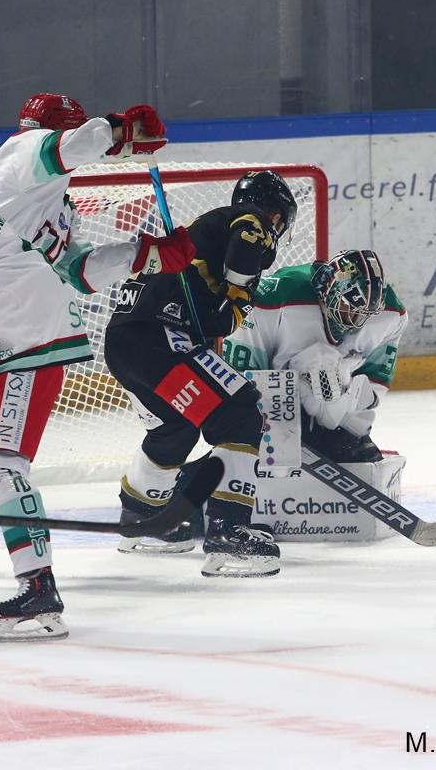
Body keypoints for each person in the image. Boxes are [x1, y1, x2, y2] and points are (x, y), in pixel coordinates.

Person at [0, 114, 192, 641]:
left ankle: (38, 588)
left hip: (26, 343)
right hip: (4, 342)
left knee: (1, 463)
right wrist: (143, 252)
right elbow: (57, 272)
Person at [104, 170, 298, 577]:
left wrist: (218, 312)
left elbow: (209, 311)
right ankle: (228, 530)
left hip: (126, 341)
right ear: (276, 214)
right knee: (239, 412)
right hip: (159, 337)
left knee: (174, 427)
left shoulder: (206, 230)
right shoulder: (250, 219)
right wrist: (237, 291)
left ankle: (140, 518)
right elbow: (249, 236)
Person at [222, 249, 406, 464]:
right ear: (329, 290)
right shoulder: (273, 298)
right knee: (318, 362)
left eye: (364, 315)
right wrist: (262, 427)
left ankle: (331, 434)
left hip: (329, 406)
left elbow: (373, 383)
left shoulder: (391, 313)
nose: (355, 322)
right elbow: (240, 375)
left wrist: (346, 418)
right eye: (348, 308)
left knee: (329, 369)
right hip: (271, 402)